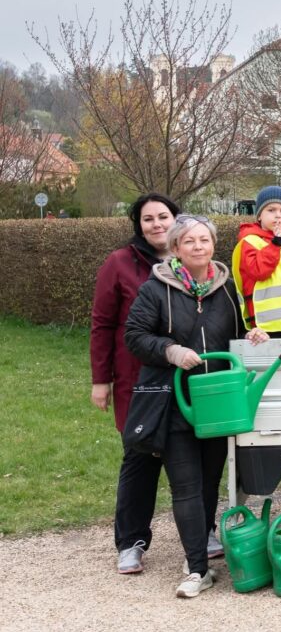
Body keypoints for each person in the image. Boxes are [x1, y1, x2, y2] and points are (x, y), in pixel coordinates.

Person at [124, 214, 269, 597]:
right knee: (185, 486)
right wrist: (170, 351)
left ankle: (198, 554)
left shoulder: (226, 288)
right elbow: (134, 336)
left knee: (207, 485)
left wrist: (250, 335)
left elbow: (234, 334)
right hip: (175, 402)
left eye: (204, 240)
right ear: (175, 249)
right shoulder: (156, 289)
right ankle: (197, 569)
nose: (198, 247)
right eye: (189, 241)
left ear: (212, 245)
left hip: (218, 402)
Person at [91, 193, 180, 574]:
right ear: (138, 225)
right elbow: (103, 324)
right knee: (140, 457)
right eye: (148, 219)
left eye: (164, 216)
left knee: (188, 458)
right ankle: (131, 542)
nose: (157, 224)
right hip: (137, 378)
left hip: (184, 375)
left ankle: (201, 531)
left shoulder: (190, 260)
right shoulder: (120, 263)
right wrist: (101, 380)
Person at [232, 186, 281, 336]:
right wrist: (275, 244)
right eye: (271, 210)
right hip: (264, 325)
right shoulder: (249, 241)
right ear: (259, 216)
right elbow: (259, 272)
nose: (278, 215)